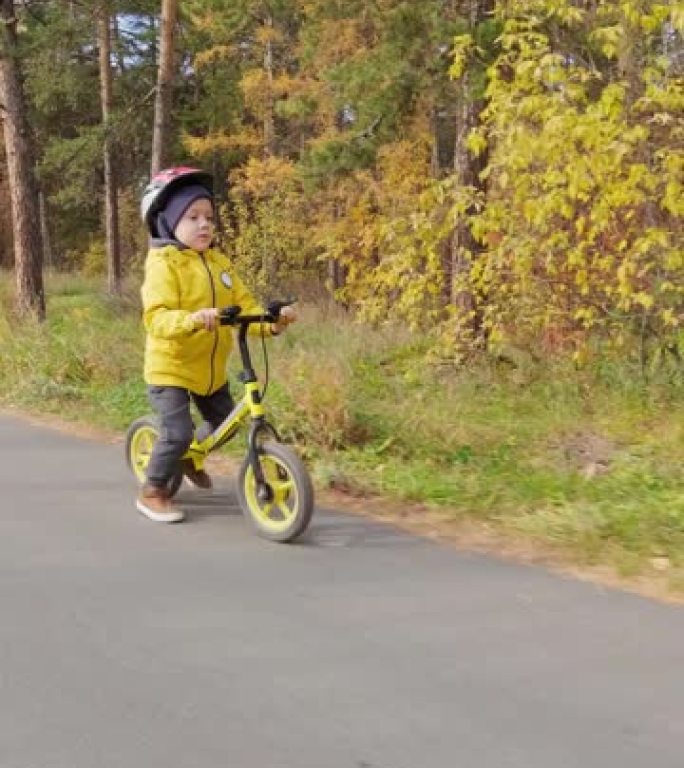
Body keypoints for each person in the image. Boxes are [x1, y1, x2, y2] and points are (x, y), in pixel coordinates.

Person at [137, 166, 296, 523]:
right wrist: (192, 319)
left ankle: (191, 456)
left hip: (209, 372)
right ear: (168, 223)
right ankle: (154, 490)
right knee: (178, 432)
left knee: (228, 424)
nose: (204, 224)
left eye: (209, 216)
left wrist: (273, 322)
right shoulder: (164, 265)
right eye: (192, 217)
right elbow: (156, 318)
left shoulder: (220, 264)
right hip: (171, 367)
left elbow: (245, 307)